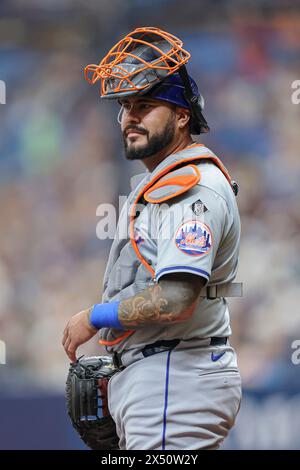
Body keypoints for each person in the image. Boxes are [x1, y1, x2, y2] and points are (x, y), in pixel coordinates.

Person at [62, 27, 243, 450]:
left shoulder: (189, 188)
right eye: (125, 107)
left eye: (145, 105)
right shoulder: (162, 181)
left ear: (182, 116)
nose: (130, 118)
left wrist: (95, 316)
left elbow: (177, 299)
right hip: (165, 375)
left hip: (174, 374)